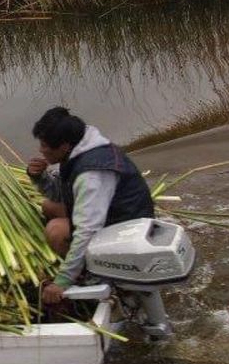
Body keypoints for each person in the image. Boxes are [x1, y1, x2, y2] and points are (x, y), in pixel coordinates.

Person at [27, 107, 154, 305]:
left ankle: (97, 276)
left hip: (124, 230)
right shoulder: (80, 150)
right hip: (112, 214)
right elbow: (62, 195)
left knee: (56, 231)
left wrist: (63, 281)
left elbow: (87, 230)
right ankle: (87, 266)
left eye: (45, 146)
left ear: (64, 146)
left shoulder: (91, 174)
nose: (41, 150)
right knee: (48, 206)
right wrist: (38, 177)